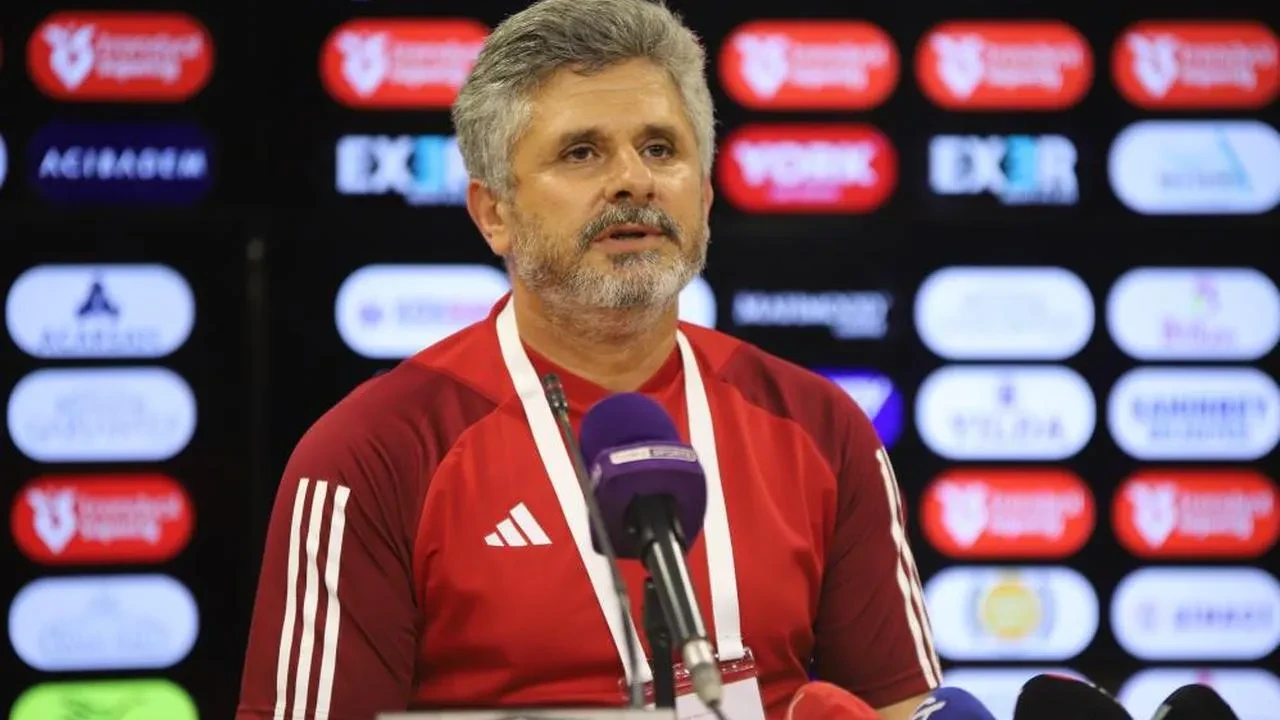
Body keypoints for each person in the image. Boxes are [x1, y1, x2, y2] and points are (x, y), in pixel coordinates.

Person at [235, 1, 941, 718]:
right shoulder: (374, 453)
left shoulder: (820, 427)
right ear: (494, 213)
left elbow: (900, 706)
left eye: (660, 148)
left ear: (704, 195)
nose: (634, 180)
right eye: (582, 153)